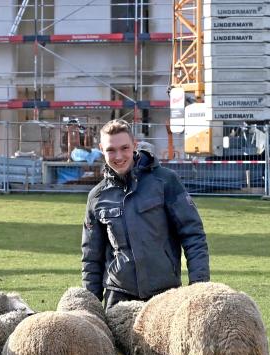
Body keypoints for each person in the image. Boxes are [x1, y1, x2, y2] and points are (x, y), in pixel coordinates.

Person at [81, 119, 210, 308]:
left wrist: (198, 287)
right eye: (110, 150)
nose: (118, 156)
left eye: (124, 148)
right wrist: (89, 308)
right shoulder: (97, 197)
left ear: (134, 145)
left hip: (165, 296)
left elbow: (193, 236)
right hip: (118, 298)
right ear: (101, 149)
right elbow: (91, 257)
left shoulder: (165, 181)